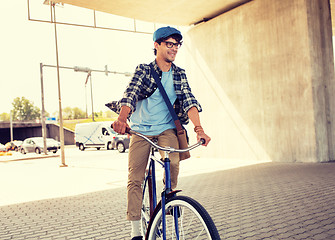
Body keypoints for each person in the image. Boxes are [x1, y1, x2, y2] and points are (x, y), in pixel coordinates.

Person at [107, 26, 211, 240]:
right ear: (157, 45)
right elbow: (131, 94)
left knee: (172, 161)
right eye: (169, 44)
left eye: (177, 45)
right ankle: (136, 230)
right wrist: (121, 119)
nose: (174, 49)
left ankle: (169, 197)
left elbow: (189, 101)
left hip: (165, 128)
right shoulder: (144, 70)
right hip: (141, 130)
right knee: (135, 177)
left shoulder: (179, 73)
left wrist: (199, 129)